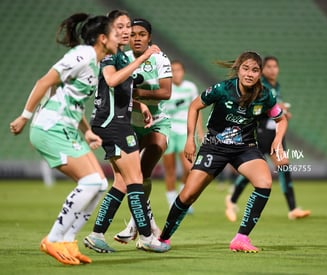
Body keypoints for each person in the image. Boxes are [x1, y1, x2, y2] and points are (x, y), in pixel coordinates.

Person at [9, 13, 118, 265]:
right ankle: (53, 238)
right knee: (90, 181)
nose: (118, 38)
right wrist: (24, 117)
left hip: (67, 128)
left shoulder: (96, 62)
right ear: (102, 39)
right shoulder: (81, 55)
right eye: (115, 33)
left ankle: (68, 242)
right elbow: (46, 81)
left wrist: (87, 131)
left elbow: (74, 100)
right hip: (50, 127)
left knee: (100, 183)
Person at [158, 51, 288, 253]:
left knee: (264, 182)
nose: (249, 74)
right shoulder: (222, 89)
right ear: (238, 69)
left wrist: (278, 141)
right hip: (214, 146)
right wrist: (190, 139)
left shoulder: (265, 95)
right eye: (246, 69)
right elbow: (194, 107)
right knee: (189, 194)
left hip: (245, 148)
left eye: (255, 70)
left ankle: (241, 238)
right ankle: (163, 238)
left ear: (260, 73)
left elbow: (281, 118)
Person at [83, 11, 170, 254]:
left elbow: (122, 88)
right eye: (121, 27)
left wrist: (140, 105)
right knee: (135, 181)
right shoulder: (111, 56)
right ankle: (146, 236)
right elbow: (111, 81)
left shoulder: (120, 56)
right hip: (114, 124)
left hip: (113, 122)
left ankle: (97, 234)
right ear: (109, 31)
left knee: (122, 182)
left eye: (128, 26)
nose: (126, 31)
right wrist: (141, 60)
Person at [225, 56, 311, 221]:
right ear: (263, 70)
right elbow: (257, 107)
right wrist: (279, 108)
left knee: (284, 167)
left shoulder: (275, 86)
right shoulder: (260, 86)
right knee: (253, 171)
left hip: (276, 133)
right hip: (261, 132)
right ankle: (232, 199)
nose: (272, 69)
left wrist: (282, 112)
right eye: (268, 66)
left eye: (275, 66)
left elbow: (275, 109)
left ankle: (293, 209)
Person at [162, 60, 203, 209]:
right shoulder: (166, 87)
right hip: (168, 130)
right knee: (170, 169)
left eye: (178, 70)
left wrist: (199, 131)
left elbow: (196, 109)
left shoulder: (190, 87)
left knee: (189, 168)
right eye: (173, 70)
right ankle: (171, 198)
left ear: (183, 72)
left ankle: (183, 193)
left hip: (185, 131)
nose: (176, 73)